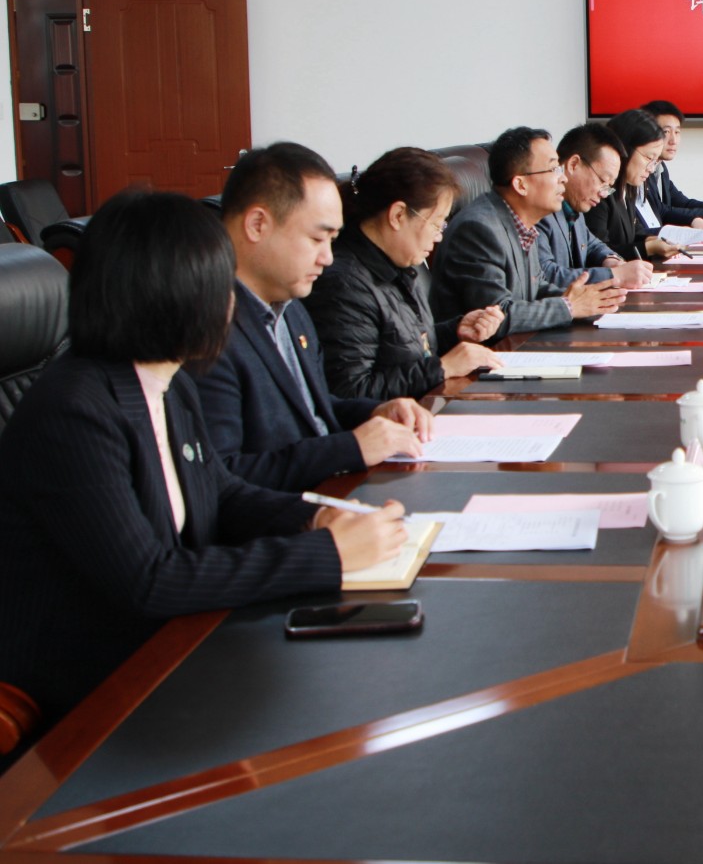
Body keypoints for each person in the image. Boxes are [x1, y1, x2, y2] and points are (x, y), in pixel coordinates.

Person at [0, 190, 407, 724]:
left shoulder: (167, 380)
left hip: (173, 637)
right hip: (93, 678)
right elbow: (148, 579)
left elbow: (222, 491)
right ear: (168, 293)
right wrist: (326, 555)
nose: (231, 303)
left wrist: (317, 517)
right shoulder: (74, 411)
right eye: (220, 285)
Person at [195, 143, 434, 493]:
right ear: (257, 224)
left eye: (332, 240)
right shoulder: (207, 328)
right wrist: (349, 449)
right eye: (317, 238)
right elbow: (222, 476)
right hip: (291, 512)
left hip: (336, 491)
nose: (327, 257)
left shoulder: (291, 307)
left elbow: (314, 409)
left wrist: (376, 413)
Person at [303, 147, 506, 400]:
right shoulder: (343, 285)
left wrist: (456, 331)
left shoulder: (401, 262)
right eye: (436, 223)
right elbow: (351, 392)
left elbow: (405, 347)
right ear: (398, 215)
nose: (439, 236)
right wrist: (442, 368)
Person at [430, 126, 622, 341]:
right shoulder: (478, 230)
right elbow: (496, 315)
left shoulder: (522, 223)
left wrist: (586, 299)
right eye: (553, 169)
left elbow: (534, 288)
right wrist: (568, 306)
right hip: (480, 356)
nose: (563, 179)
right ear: (521, 184)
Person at [537, 123, 654, 290]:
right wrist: (614, 275)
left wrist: (611, 260)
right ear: (573, 164)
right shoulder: (539, 208)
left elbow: (592, 244)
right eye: (602, 181)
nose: (604, 194)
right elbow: (545, 274)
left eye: (609, 186)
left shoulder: (574, 206)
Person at [584, 110, 683, 260]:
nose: (651, 169)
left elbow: (633, 233)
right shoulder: (600, 193)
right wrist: (648, 248)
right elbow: (597, 252)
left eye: (655, 161)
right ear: (625, 148)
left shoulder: (628, 187)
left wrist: (651, 239)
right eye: (648, 158)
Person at [642, 99, 703, 225]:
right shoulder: (642, 170)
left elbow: (683, 203)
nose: (673, 140)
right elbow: (662, 212)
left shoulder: (661, 167)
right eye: (666, 132)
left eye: (677, 132)